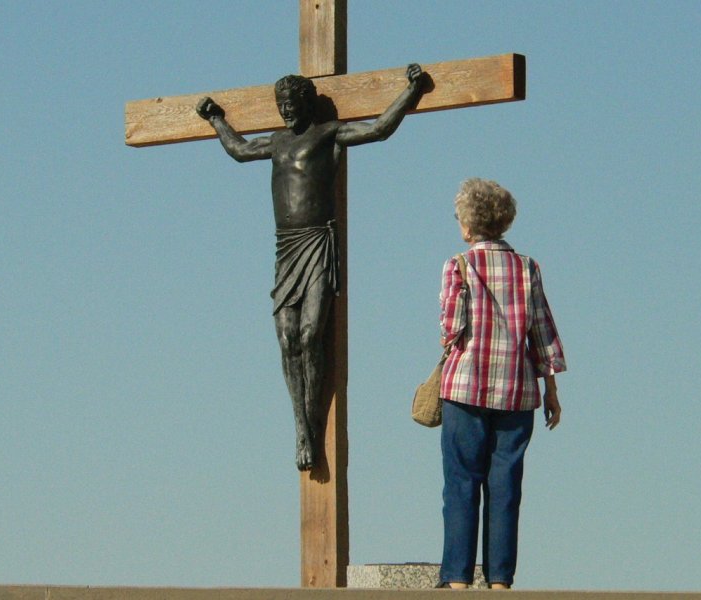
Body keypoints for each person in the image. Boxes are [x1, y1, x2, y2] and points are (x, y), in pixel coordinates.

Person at [196, 65, 424, 471]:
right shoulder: (278, 141)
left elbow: (377, 129)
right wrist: (216, 119)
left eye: (292, 104)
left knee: (310, 332)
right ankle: (302, 427)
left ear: (306, 103)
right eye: (281, 105)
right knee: (286, 338)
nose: (286, 112)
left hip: (317, 242)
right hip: (287, 248)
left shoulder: (328, 133)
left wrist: (411, 91)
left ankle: (314, 427)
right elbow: (240, 150)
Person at [437, 178, 566, 590]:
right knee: (505, 487)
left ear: (469, 224)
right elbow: (542, 330)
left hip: (465, 388)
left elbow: (451, 328)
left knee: (460, 482)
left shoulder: (457, 265)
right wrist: (552, 389)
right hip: (517, 391)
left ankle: (457, 579)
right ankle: (500, 582)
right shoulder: (528, 267)